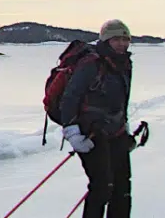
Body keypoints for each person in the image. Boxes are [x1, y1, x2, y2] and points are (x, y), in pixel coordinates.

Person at [59, 19, 137, 218]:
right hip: (91, 134)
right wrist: (72, 132)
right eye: (116, 39)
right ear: (106, 40)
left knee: (122, 188)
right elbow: (70, 97)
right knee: (102, 187)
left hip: (116, 131)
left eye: (125, 39)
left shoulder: (124, 64)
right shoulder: (91, 63)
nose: (122, 44)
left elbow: (122, 99)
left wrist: (124, 126)